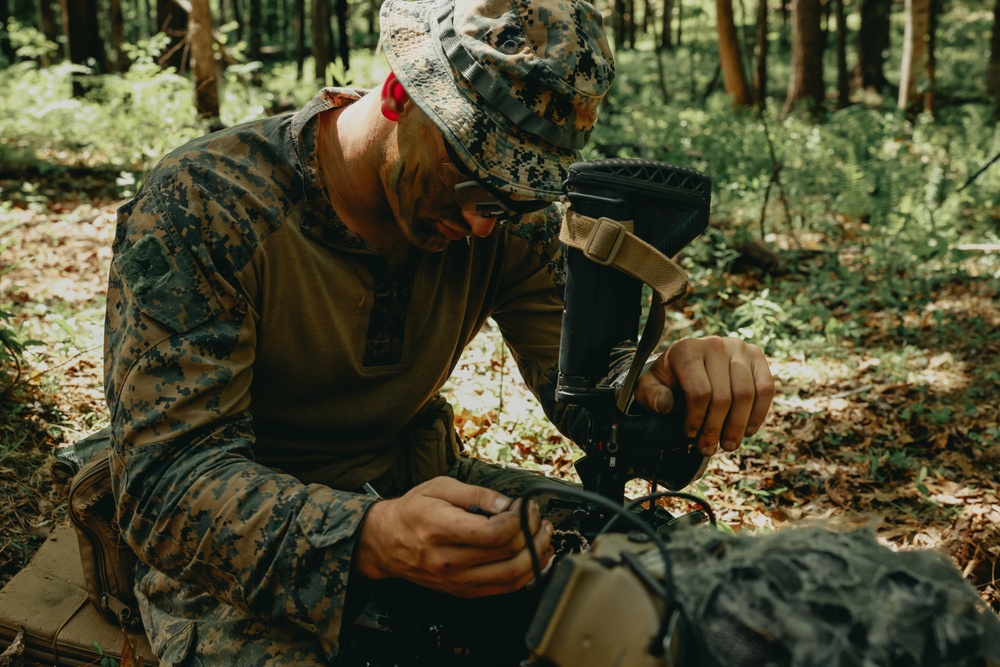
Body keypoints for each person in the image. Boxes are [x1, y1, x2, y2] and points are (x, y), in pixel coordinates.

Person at [103, 0, 774, 663]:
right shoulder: (207, 204)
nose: (485, 223)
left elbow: (592, 401)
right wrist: (366, 537)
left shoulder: (504, 218)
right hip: (233, 549)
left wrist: (671, 392)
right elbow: (164, 485)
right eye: (471, 178)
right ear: (399, 92)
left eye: (515, 198)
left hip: (415, 482)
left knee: (703, 594)